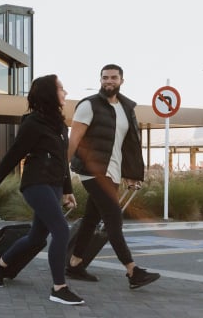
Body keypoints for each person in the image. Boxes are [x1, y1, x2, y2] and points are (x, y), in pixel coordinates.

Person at [0, 75, 84, 306]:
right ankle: (59, 288)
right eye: (61, 88)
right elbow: (13, 155)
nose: (65, 92)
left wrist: (67, 190)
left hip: (54, 185)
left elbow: (62, 161)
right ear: (49, 93)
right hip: (36, 184)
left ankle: (1, 263)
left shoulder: (59, 125)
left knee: (37, 237)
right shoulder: (33, 123)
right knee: (61, 230)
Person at [67, 64, 160, 290]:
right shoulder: (89, 105)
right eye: (105, 77)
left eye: (113, 77)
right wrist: (62, 176)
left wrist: (131, 174)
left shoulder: (126, 108)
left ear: (121, 81)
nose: (109, 81)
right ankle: (132, 271)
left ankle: (75, 263)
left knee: (91, 219)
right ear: (100, 80)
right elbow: (73, 141)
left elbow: (130, 144)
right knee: (113, 219)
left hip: (114, 172)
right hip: (93, 172)